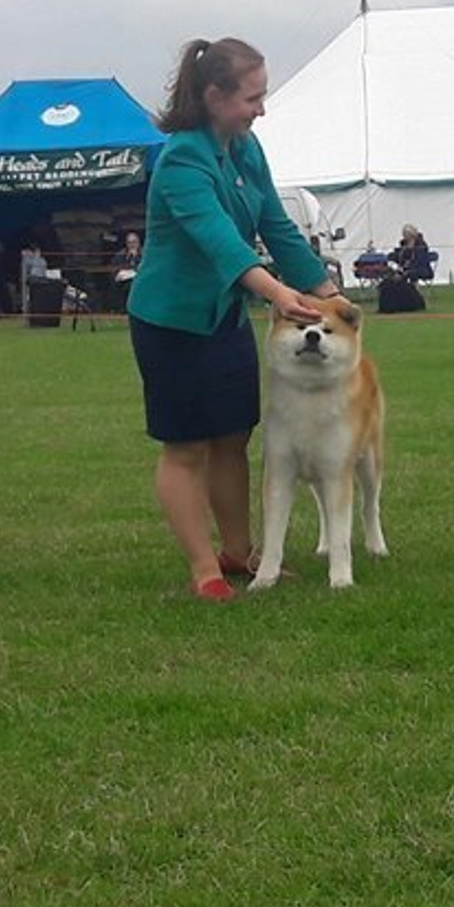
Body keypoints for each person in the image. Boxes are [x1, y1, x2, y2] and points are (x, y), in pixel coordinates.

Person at [127, 37, 339, 602]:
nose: (261, 109)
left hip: (223, 316)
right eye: (252, 97)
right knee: (186, 446)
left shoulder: (246, 148)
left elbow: (276, 225)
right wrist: (280, 294)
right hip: (171, 322)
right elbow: (221, 242)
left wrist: (330, 295)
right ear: (214, 96)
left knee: (232, 436)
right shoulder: (180, 160)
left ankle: (240, 553)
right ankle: (205, 571)